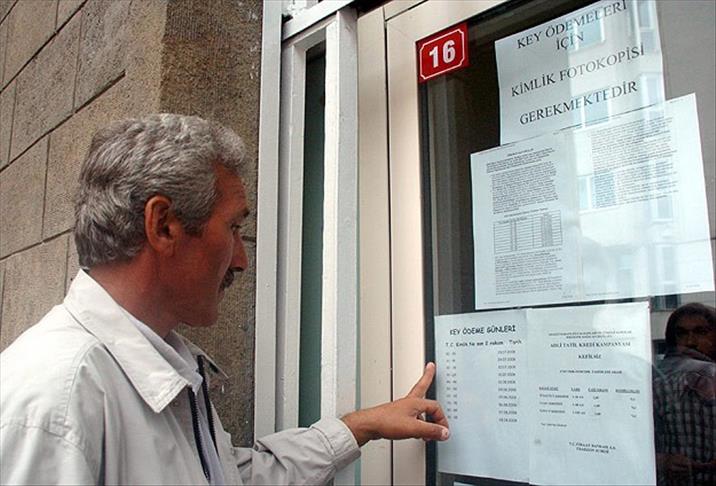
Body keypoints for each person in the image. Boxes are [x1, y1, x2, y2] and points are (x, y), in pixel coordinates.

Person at [0, 114, 450, 485]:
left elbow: (227, 477)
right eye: (233, 228)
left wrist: (359, 426)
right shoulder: (55, 402)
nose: (241, 260)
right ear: (163, 225)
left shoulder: (155, 362)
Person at [652, 302, 716, 486]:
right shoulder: (660, 390)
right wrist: (663, 461)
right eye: (681, 333)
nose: (690, 342)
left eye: (701, 332)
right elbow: (632, 445)